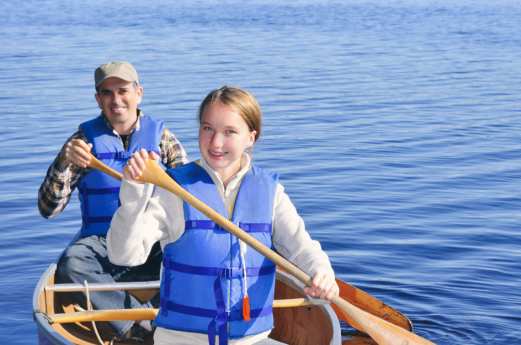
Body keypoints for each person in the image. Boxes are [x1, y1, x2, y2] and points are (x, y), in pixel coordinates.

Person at [107, 86, 339, 345]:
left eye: (229, 132)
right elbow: (123, 255)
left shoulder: (270, 192)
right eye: (208, 128)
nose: (216, 143)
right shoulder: (175, 190)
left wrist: (322, 273)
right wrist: (133, 195)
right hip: (181, 339)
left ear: (250, 137)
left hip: (252, 339)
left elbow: (302, 248)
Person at [38, 61, 189, 342]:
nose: (116, 99)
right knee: (71, 264)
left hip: (151, 242)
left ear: (138, 93)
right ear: (98, 100)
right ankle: (137, 327)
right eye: (107, 93)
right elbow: (48, 209)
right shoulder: (83, 144)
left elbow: (191, 202)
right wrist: (62, 160)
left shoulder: (165, 141)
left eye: (123, 90)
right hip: (103, 245)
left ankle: (161, 312)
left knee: (193, 252)